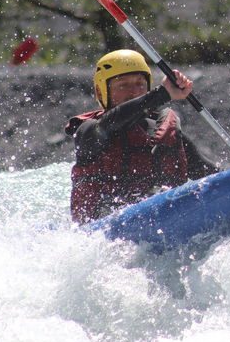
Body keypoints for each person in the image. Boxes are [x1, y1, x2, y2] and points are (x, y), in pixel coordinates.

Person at [65, 49, 219, 224]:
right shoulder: (88, 131)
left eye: (140, 84)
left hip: (167, 222)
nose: (134, 92)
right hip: (105, 233)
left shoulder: (164, 130)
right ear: (101, 93)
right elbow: (111, 123)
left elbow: (212, 177)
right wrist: (162, 94)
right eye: (123, 85)